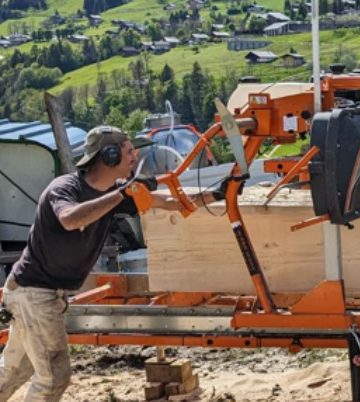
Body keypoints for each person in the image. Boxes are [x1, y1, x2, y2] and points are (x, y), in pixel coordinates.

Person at [0, 125, 219, 401]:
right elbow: (71, 219)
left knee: (14, 371)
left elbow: (168, 201)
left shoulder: (114, 192)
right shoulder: (65, 188)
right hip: (33, 293)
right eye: (128, 151)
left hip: (37, 293)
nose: (135, 158)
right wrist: (121, 195)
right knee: (53, 378)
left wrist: (217, 193)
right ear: (110, 155)